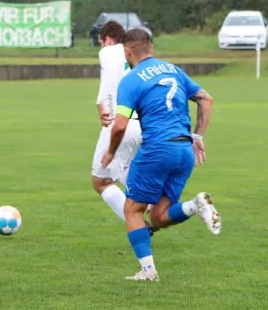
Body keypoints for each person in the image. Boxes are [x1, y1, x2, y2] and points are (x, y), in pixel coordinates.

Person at [101, 29, 221, 282]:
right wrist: (198, 137)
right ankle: (195, 205)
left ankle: (148, 272)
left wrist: (110, 152)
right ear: (151, 47)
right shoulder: (174, 70)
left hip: (157, 148)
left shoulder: (131, 79)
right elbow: (206, 99)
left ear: (128, 51)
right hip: (183, 150)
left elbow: (120, 125)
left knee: (132, 209)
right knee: (158, 216)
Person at [91, 21, 158, 236]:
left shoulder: (110, 51)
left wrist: (101, 103)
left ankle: (142, 221)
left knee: (101, 181)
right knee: (123, 168)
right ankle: (154, 202)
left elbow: (110, 78)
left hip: (121, 122)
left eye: (101, 43)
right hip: (143, 123)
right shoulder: (138, 57)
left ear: (108, 39)